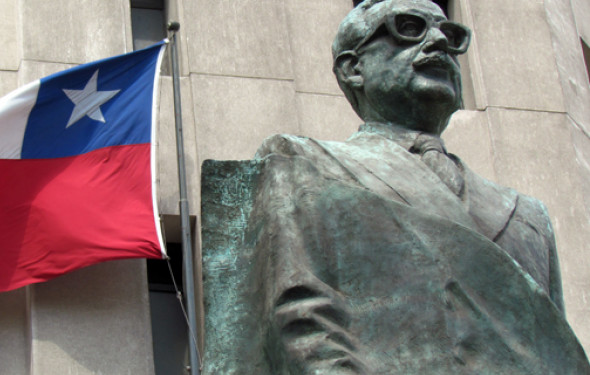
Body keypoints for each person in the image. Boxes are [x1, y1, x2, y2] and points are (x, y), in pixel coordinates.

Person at [201, 0, 590, 373]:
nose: (438, 42)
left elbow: (553, 349)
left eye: (450, 35)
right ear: (354, 68)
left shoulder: (528, 216)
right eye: (408, 29)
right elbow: (302, 318)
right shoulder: (304, 161)